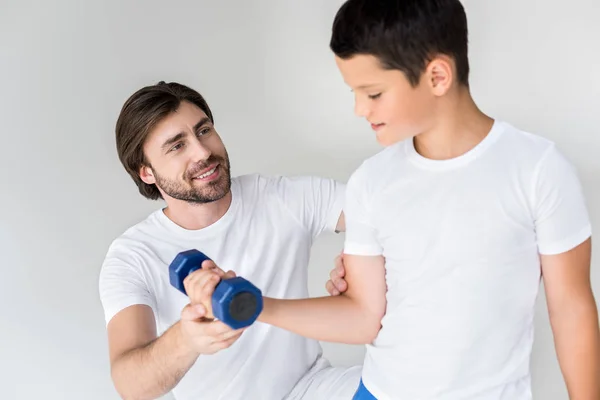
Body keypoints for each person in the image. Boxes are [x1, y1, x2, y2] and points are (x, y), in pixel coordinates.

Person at [187, 0, 600, 399]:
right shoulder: (372, 181)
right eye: (354, 92)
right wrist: (256, 305)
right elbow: (364, 317)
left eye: (373, 93)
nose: (358, 109)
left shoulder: (538, 169)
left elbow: (571, 311)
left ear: (437, 76)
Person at [98, 81, 360, 400]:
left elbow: (391, 216)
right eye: (177, 146)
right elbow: (131, 384)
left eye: (204, 130)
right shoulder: (132, 256)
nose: (203, 151)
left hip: (312, 388)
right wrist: (187, 338)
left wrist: (362, 254)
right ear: (146, 173)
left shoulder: (281, 198)